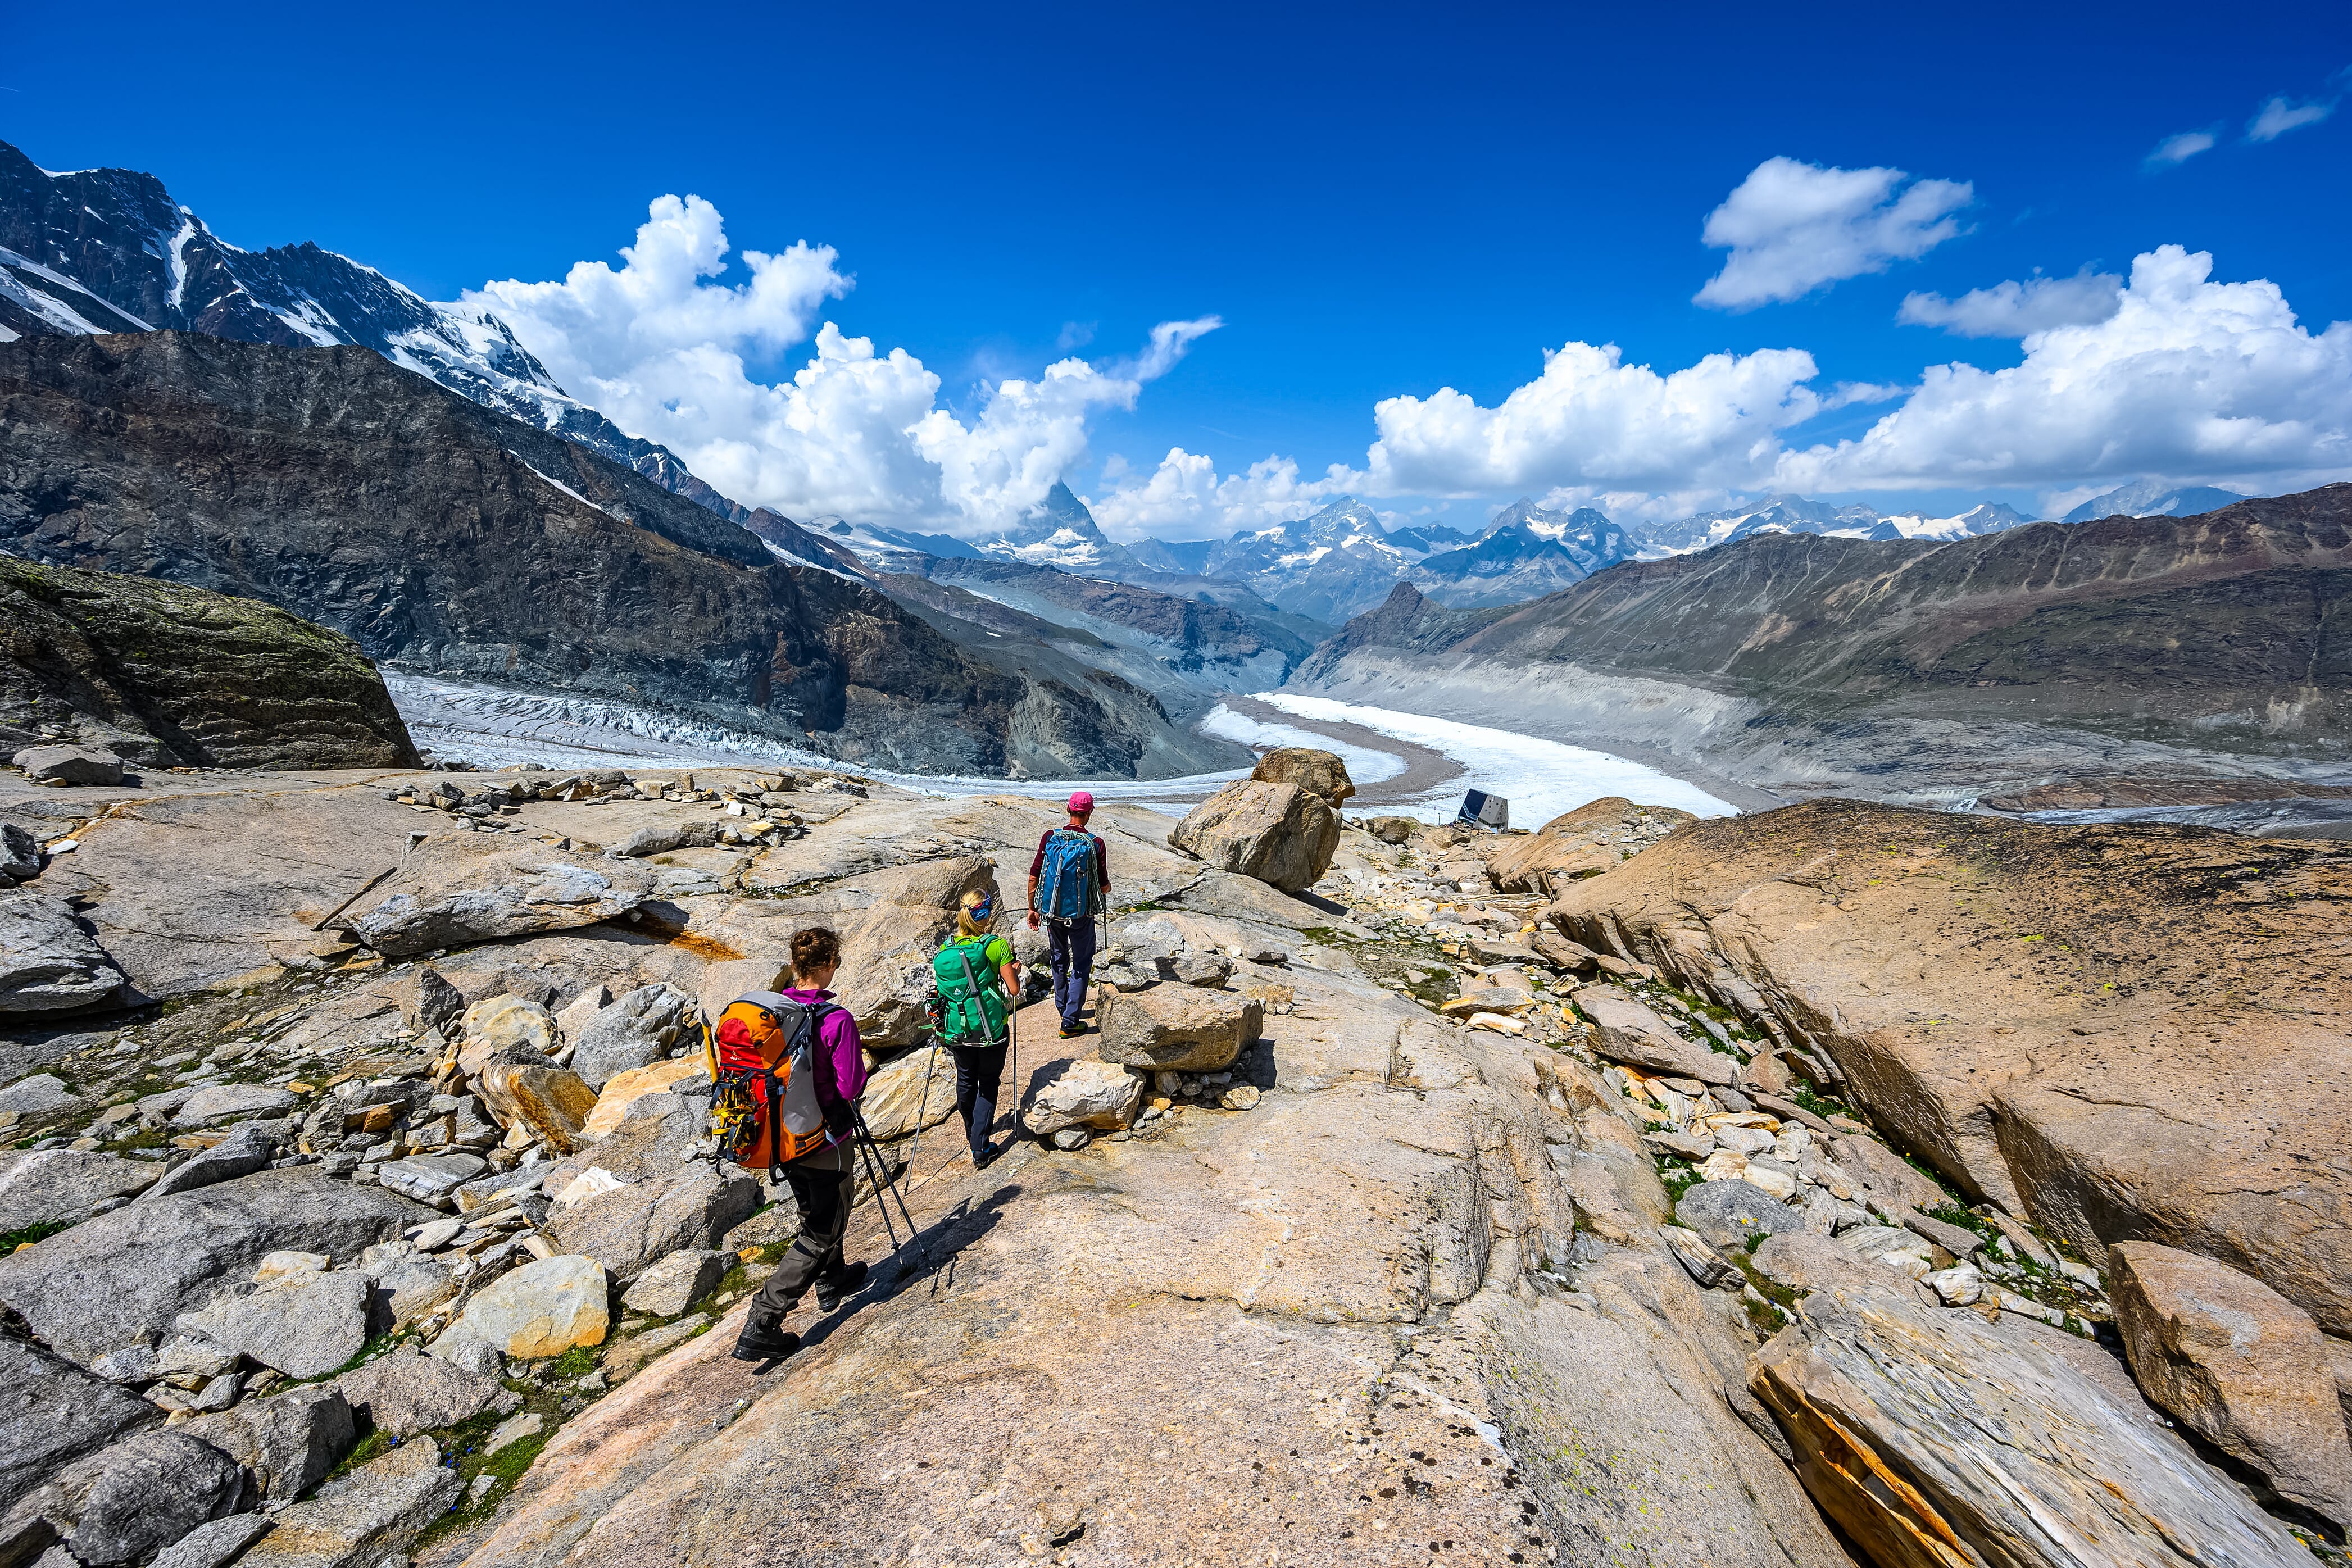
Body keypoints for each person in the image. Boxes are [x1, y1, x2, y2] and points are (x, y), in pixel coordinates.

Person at [731, 926, 869, 1363]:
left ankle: (835, 1275)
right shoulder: (836, 1019)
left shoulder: (778, 1016)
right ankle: (764, 1318)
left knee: (814, 1207)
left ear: (795, 966)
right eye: (837, 963)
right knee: (826, 1222)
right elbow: (850, 1085)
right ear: (827, 967)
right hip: (826, 1137)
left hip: (782, 1137)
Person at [933, 887, 1019, 1166]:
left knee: (966, 1079)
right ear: (985, 913)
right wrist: (1013, 970)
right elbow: (1014, 990)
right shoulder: (994, 945)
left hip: (957, 1030)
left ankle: (973, 1132)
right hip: (990, 1030)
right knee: (988, 1084)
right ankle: (980, 1148)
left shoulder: (946, 949)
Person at [1027, 790, 1110, 1039]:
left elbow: (1035, 875)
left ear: (1068, 810)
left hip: (1052, 913)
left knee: (1058, 958)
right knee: (1082, 963)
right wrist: (1104, 888)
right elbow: (1103, 885)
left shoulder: (1050, 837)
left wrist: (1033, 909)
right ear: (1090, 813)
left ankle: (1062, 1006)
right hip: (1081, 916)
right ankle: (1070, 1021)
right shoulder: (1095, 844)